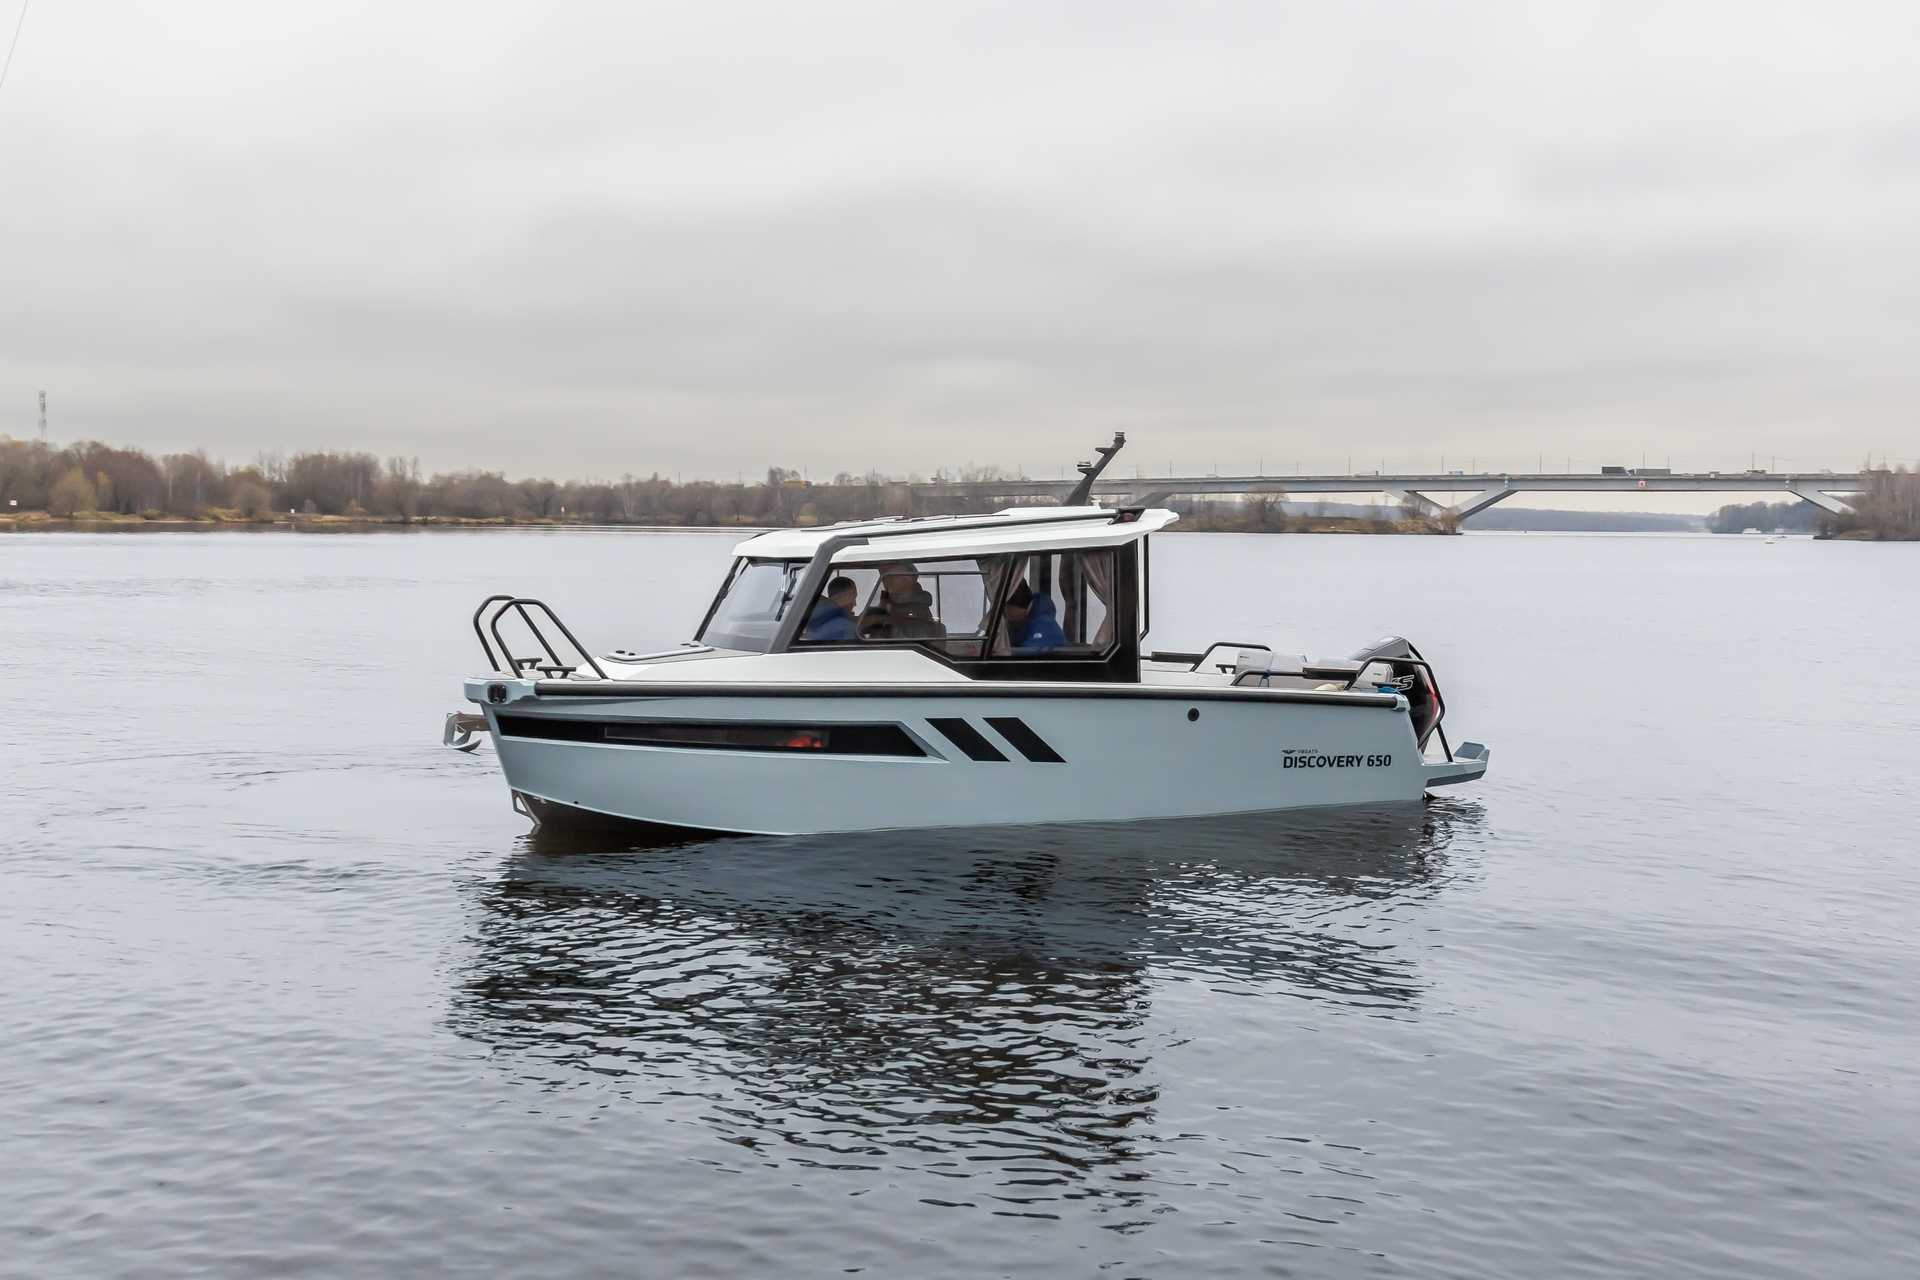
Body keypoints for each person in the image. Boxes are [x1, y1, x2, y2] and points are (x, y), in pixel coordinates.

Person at [861, 562, 943, 639]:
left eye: (890, 577)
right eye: (883, 577)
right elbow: (860, 627)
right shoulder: (887, 601)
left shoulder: (917, 604)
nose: (885, 581)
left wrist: (884, 618)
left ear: (907, 579)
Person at [1004, 582, 1065, 654]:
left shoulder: (1044, 628)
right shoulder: (1023, 621)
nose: (1006, 614)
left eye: (1007, 609)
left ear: (1019, 609)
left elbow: (1026, 656)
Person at [804, 576, 861, 642]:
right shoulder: (845, 627)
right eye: (853, 598)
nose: (855, 604)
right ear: (843, 596)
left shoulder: (818, 615)